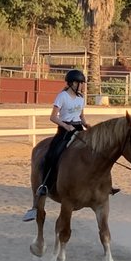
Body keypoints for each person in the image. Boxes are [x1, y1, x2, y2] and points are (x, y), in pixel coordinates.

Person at [22, 68, 92, 222]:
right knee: (53, 155)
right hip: (64, 130)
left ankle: (103, 185)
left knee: (96, 151)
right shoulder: (62, 96)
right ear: (73, 83)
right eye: (81, 83)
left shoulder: (81, 98)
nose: (83, 86)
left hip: (79, 129)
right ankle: (44, 186)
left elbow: (81, 116)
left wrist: (87, 125)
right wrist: (66, 126)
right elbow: (53, 117)